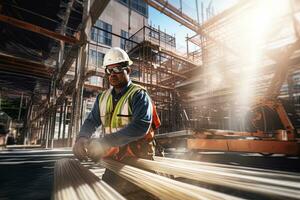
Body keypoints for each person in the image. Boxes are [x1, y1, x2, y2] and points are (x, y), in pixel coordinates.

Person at [73, 47, 160, 196]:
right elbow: (91, 121)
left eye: (117, 69)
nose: (112, 74)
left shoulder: (139, 95)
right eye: (109, 70)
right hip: (115, 158)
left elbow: (141, 126)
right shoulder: (103, 97)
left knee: (139, 196)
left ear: (128, 71)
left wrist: (104, 142)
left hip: (139, 159)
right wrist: (82, 138)